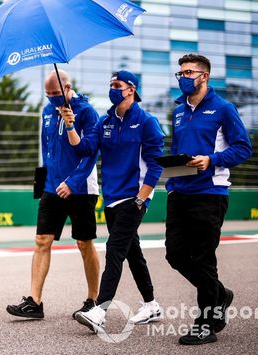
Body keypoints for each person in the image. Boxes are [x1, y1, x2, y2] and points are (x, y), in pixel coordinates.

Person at [64, 70, 165, 333]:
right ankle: (151, 304)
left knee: (115, 250)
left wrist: (142, 198)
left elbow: (155, 166)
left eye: (117, 85)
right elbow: (84, 149)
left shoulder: (147, 122)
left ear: (131, 89)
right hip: (111, 198)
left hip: (134, 198)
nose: (112, 89)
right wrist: (71, 126)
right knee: (133, 253)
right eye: (110, 84)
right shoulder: (104, 121)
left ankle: (99, 310)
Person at [165, 54, 252, 345]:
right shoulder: (178, 110)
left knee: (203, 258)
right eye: (180, 73)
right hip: (180, 193)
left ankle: (205, 323)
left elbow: (243, 148)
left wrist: (212, 160)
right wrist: (172, 182)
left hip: (210, 194)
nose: (182, 77)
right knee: (175, 255)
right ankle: (220, 294)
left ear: (204, 76)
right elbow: (178, 148)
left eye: (188, 72)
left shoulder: (224, 109)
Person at [6, 69, 101, 320]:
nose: (52, 99)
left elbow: (90, 153)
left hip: (81, 188)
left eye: (56, 94)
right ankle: (35, 302)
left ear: (68, 88)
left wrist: (73, 181)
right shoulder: (47, 110)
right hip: (52, 187)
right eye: (48, 95)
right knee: (41, 241)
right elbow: (46, 149)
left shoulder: (88, 112)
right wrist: (44, 179)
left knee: (84, 243)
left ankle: (93, 300)